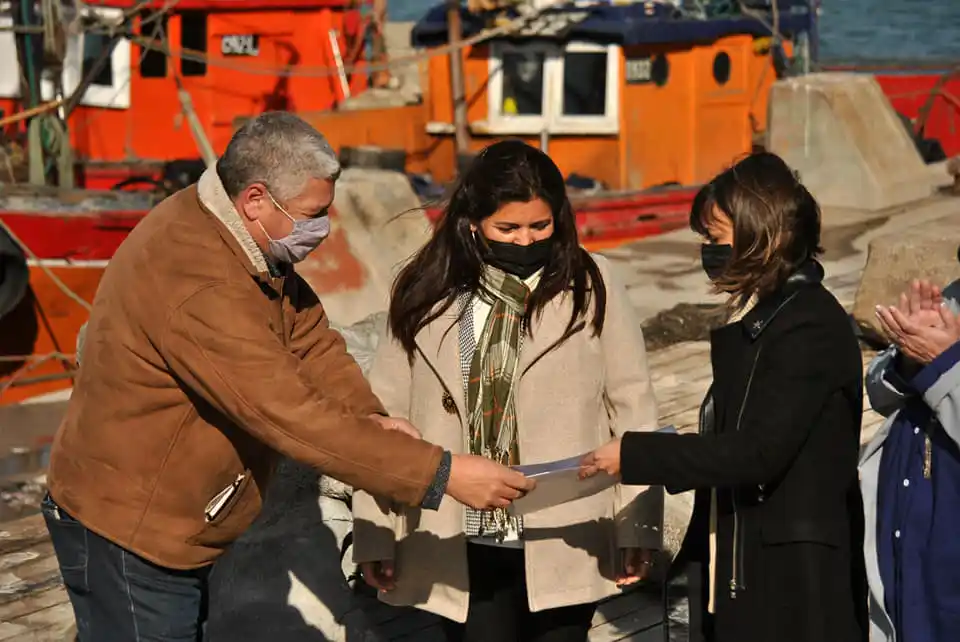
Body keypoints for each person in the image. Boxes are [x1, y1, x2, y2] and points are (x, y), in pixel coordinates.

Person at [42, 112, 534, 642]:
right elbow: (292, 417)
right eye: (311, 214)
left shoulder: (240, 240)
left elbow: (309, 335)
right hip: (131, 530)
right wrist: (440, 474)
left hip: (185, 516)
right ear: (256, 199)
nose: (321, 229)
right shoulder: (201, 281)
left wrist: (369, 415)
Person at [351, 139, 663, 642]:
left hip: (568, 533)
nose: (524, 242)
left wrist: (638, 526)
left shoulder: (594, 284)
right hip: (458, 537)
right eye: (508, 228)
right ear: (472, 221)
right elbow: (383, 421)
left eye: (540, 226)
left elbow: (634, 411)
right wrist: (374, 533)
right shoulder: (424, 291)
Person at [579, 152, 868, 642]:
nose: (708, 251)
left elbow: (757, 452)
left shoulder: (808, 325)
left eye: (715, 238)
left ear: (764, 235)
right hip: (743, 561)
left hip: (793, 579)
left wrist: (636, 453)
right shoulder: (760, 318)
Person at [863, 276, 960, 642]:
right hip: (906, 560)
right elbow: (878, 390)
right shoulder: (952, 298)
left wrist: (944, 365)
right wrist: (907, 357)